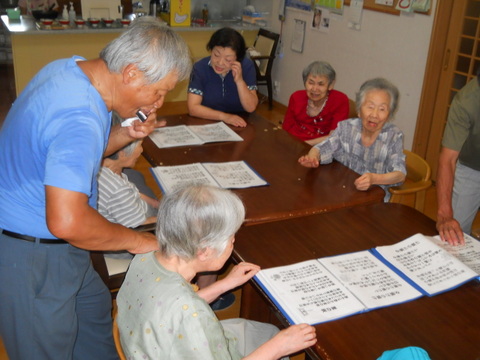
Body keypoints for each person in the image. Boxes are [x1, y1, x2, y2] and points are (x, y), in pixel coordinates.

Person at [0, 17, 191, 360]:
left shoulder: (72, 70)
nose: (159, 102)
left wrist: (124, 134)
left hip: (59, 245)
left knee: (93, 311)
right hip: (32, 255)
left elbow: (65, 153)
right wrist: (139, 241)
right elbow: (68, 222)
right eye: (159, 91)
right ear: (131, 73)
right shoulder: (80, 114)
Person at [117, 184, 317, 359]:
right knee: (274, 338)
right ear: (204, 251)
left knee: (267, 332)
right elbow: (185, 311)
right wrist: (278, 348)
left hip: (148, 345)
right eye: (231, 238)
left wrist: (224, 284)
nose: (233, 241)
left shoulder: (143, 259)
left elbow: (170, 307)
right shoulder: (192, 314)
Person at [298, 77, 406, 201]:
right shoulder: (347, 128)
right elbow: (322, 147)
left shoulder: (393, 136)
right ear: (359, 110)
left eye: (382, 109)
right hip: (342, 193)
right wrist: (313, 156)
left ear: (389, 115)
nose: (374, 114)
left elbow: (400, 174)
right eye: (370, 107)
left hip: (374, 200)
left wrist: (374, 179)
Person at [436, 69, 480, 246]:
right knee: (454, 235)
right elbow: (448, 159)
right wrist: (445, 215)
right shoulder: (467, 102)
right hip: (472, 165)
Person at [187, 27, 258, 128]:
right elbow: (193, 108)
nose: (220, 63)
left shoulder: (246, 66)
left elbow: (250, 108)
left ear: (237, 58)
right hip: (207, 121)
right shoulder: (200, 67)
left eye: (228, 59)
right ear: (211, 50)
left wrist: (239, 81)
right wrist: (225, 117)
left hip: (240, 122)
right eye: (216, 55)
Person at [98, 114, 159, 229]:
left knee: (136, 177)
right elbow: (140, 225)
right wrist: (171, 217)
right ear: (122, 152)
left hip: (134, 208)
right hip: (139, 224)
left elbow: (134, 192)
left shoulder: (107, 169)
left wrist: (156, 204)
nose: (141, 151)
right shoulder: (117, 189)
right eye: (139, 146)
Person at [282, 61, 349, 145]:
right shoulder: (296, 97)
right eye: (311, 82)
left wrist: (305, 145)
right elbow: (286, 128)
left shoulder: (340, 100)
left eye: (321, 84)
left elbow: (334, 137)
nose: (314, 89)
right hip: (293, 143)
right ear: (305, 82)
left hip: (321, 147)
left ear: (331, 85)